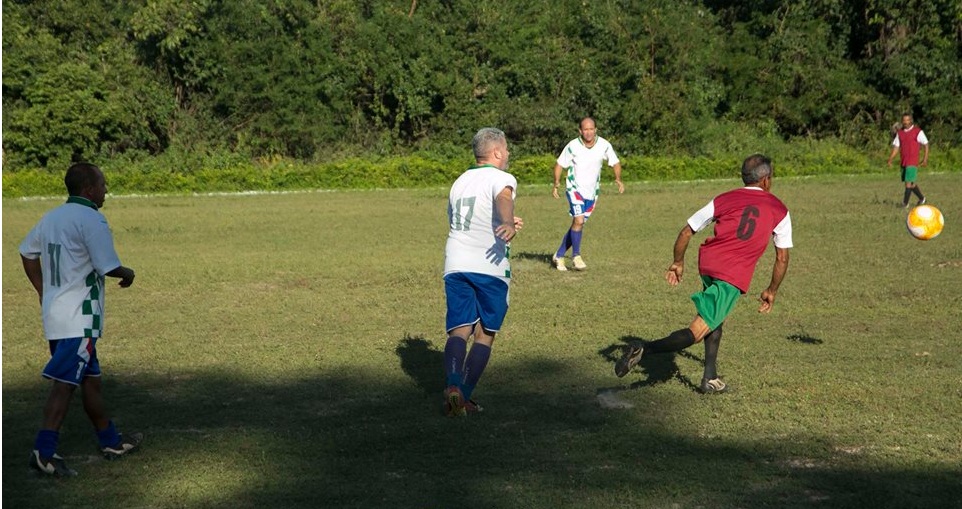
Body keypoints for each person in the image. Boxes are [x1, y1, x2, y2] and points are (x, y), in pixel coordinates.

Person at [614, 154, 792, 394]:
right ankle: (644, 349)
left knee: (714, 319)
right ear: (766, 180)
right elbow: (782, 257)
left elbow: (687, 231)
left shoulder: (725, 198)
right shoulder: (779, 209)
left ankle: (710, 377)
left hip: (709, 263)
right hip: (732, 273)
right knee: (698, 330)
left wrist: (678, 262)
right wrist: (771, 290)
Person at [19, 162, 143, 477]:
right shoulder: (91, 219)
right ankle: (43, 453)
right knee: (65, 385)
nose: (106, 190)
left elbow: (26, 252)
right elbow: (107, 265)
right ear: (89, 189)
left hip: (57, 316)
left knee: (91, 381)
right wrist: (126, 272)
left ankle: (111, 441)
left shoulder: (51, 217)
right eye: (103, 184)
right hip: (80, 319)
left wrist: (41, 290)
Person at [442, 128, 522, 417]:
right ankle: (463, 396)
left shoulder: (459, 181)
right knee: (485, 334)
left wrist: (504, 221)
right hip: (488, 267)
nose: (509, 154)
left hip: (455, 263)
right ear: (497, 152)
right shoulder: (502, 178)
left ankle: (452, 385)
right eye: (507, 148)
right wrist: (507, 222)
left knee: (459, 329)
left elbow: (464, 219)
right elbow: (502, 198)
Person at [551, 117, 623, 271]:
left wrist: (618, 179)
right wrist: (556, 183)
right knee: (578, 221)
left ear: (595, 130)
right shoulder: (573, 146)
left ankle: (559, 254)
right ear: (580, 131)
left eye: (591, 129)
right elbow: (559, 164)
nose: (588, 132)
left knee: (578, 224)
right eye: (585, 129)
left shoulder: (604, 145)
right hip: (574, 189)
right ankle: (576, 256)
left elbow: (615, 162)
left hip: (592, 192)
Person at [887, 114, 929, 208]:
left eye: (907, 120)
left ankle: (905, 203)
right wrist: (890, 159)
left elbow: (926, 144)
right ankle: (922, 199)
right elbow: (896, 147)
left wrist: (925, 159)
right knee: (912, 184)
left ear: (911, 120)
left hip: (913, 161)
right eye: (904, 120)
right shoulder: (900, 133)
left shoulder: (917, 132)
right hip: (904, 161)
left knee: (908, 182)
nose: (905, 122)